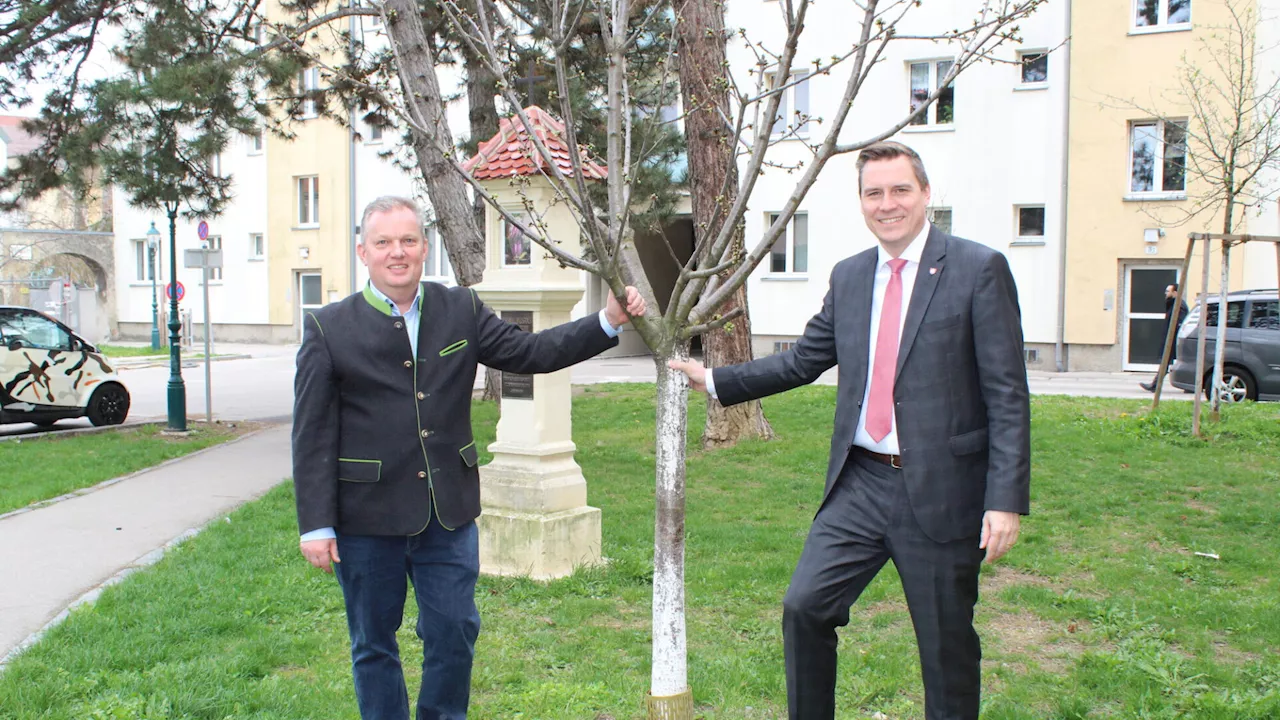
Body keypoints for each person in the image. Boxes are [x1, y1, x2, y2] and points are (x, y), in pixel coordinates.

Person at [669, 142, 1031, 720]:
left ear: (926, 195)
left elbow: (1008, 393)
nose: (887, 204)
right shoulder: (851, 275)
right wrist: (715, 380)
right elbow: (803, 360)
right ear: (862, 202)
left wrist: (1004, 501)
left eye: (899, 190)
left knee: (945, 648)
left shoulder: (977, 269)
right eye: (874, 193)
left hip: (941, 489)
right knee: (805, 608)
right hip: (860, 483)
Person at [292, 196, 645, 720]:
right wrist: (316, 524)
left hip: (448, 514)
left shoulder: (459, 308)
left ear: (424, 248)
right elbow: (313, 432)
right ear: (363, 252)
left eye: (408, 241)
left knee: (455, 630)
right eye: (384, 242)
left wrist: (607, 321)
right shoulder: (328, 327)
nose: (397, 253)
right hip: (367, 518)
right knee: (373, 643)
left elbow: (532, 353)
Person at [1140, 283, 1190, 392]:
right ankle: (1155, 385)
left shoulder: (1179, 306)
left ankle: (1155, 386)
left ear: (1175, 293)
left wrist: (1172, 340)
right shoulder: (1174, 304)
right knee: (1168, 363)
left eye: (1168, 291)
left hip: (1173, 341)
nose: (1165, 293)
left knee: (1167, 362)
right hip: (1171, 340)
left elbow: (1178, 325)